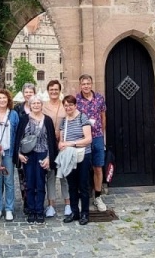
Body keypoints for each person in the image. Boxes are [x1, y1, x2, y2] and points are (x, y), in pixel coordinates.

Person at [56, 95, 93, 225]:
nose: (68, 107)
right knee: (72, 186)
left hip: (83, 155)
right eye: (66, 105)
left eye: (70, 105)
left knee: (83, 185)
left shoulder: (82, 117)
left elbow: (88, 139)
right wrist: (61, 144)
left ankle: (85, 213)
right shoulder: (64, 121)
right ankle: (74, 211)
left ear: (75, 105)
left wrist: (71, 143)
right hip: (69, 157)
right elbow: (61, 141)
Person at [17, 96, 54, 224]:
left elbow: (51, 141)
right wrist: (18, 154)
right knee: (29, 184)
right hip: (28, 154)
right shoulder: (24, 119)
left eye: (38, 103)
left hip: (42, 154)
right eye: (34, 103)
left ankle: (39, 210)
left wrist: (49, 157)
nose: (36, 105)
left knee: (40, 183)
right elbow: (18, 137)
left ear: (41, 105)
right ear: (30, 105)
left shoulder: (47, 120)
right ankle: (31, 210)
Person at [76, 74, 109, 212]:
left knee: (98, 167)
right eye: (83, 84)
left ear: (92, 84)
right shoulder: (76, 99)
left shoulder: (99, 98)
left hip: (97, 137)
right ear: (80, 85)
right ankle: (81, 197)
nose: (86, 86)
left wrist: (101, 133)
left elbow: (103, 116)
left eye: (88, 83)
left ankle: (97, 196)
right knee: (81, 168)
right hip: (82, 138)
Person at [0, 89, 20, 221]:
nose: (2, 100)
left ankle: (9, 208)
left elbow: (18, 133)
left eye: (4, 98)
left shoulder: (13, 114)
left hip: (8, 151)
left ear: (8, 100)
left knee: (8, 181)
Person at [43, 79, 71, 218]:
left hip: (63, 144)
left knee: (65, 174)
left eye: (56, 89)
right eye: (51, 89)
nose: (54, 91)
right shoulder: (43, 106)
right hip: (49, 144)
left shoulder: (64, 105)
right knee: (50, 175)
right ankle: (51, 205)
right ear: (48, 91)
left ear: (59, 91)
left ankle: (67, 203)